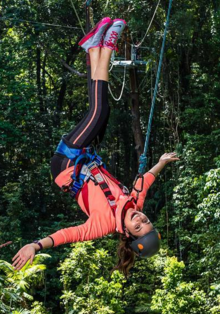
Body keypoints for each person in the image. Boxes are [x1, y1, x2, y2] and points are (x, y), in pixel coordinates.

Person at [12, 17, 178, 275]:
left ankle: (105, 47)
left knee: (100, 111)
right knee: (99, 110)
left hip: (67, 165)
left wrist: (35, 245)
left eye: (138, 227)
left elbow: (69, 234)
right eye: (146, 221)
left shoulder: (102, 225)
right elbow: (145, 181)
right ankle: (94, 49)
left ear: (128, 235)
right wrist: (162, 163)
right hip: (86, 156)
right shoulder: (134, 203)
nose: (140, 219)